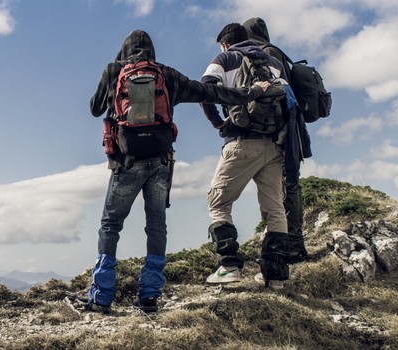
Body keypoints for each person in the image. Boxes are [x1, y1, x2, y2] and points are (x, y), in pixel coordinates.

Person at [86, 29, 269, 313]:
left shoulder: (114, 71)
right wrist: (253, 92)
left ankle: (101, 296)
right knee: (156, 226)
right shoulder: (166, 74)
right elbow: (210, 91)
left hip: (126, 162)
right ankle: (149, 295)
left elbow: (95, 109)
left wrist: (115, 74)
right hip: (160, 163)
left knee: (111, 224)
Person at [199, 23, 291, 289]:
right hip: (274, 145)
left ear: (225, 44)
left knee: (218, 201)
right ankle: (275, 276)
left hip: (241, 142)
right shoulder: (273, 62)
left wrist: (219, 123)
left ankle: (229, 266)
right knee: (274, 207)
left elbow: (206, 90)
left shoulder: (225, 58)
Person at [243, 17, 313, 265]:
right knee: (287, 185)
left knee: (287, 186)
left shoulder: (265, 54)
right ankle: (291, 244)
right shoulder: (276, 52)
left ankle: (291, 247)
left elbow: (277, 95)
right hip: (290, 128)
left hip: (283, 132)